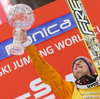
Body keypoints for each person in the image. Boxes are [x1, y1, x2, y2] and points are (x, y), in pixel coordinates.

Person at [17, 30, 100, 99]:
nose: (77, 63)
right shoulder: (69, 90)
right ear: (74, 74)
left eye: (81, 61)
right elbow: (48, 73)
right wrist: (27, 44)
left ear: (90, 67)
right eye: (75, 64)